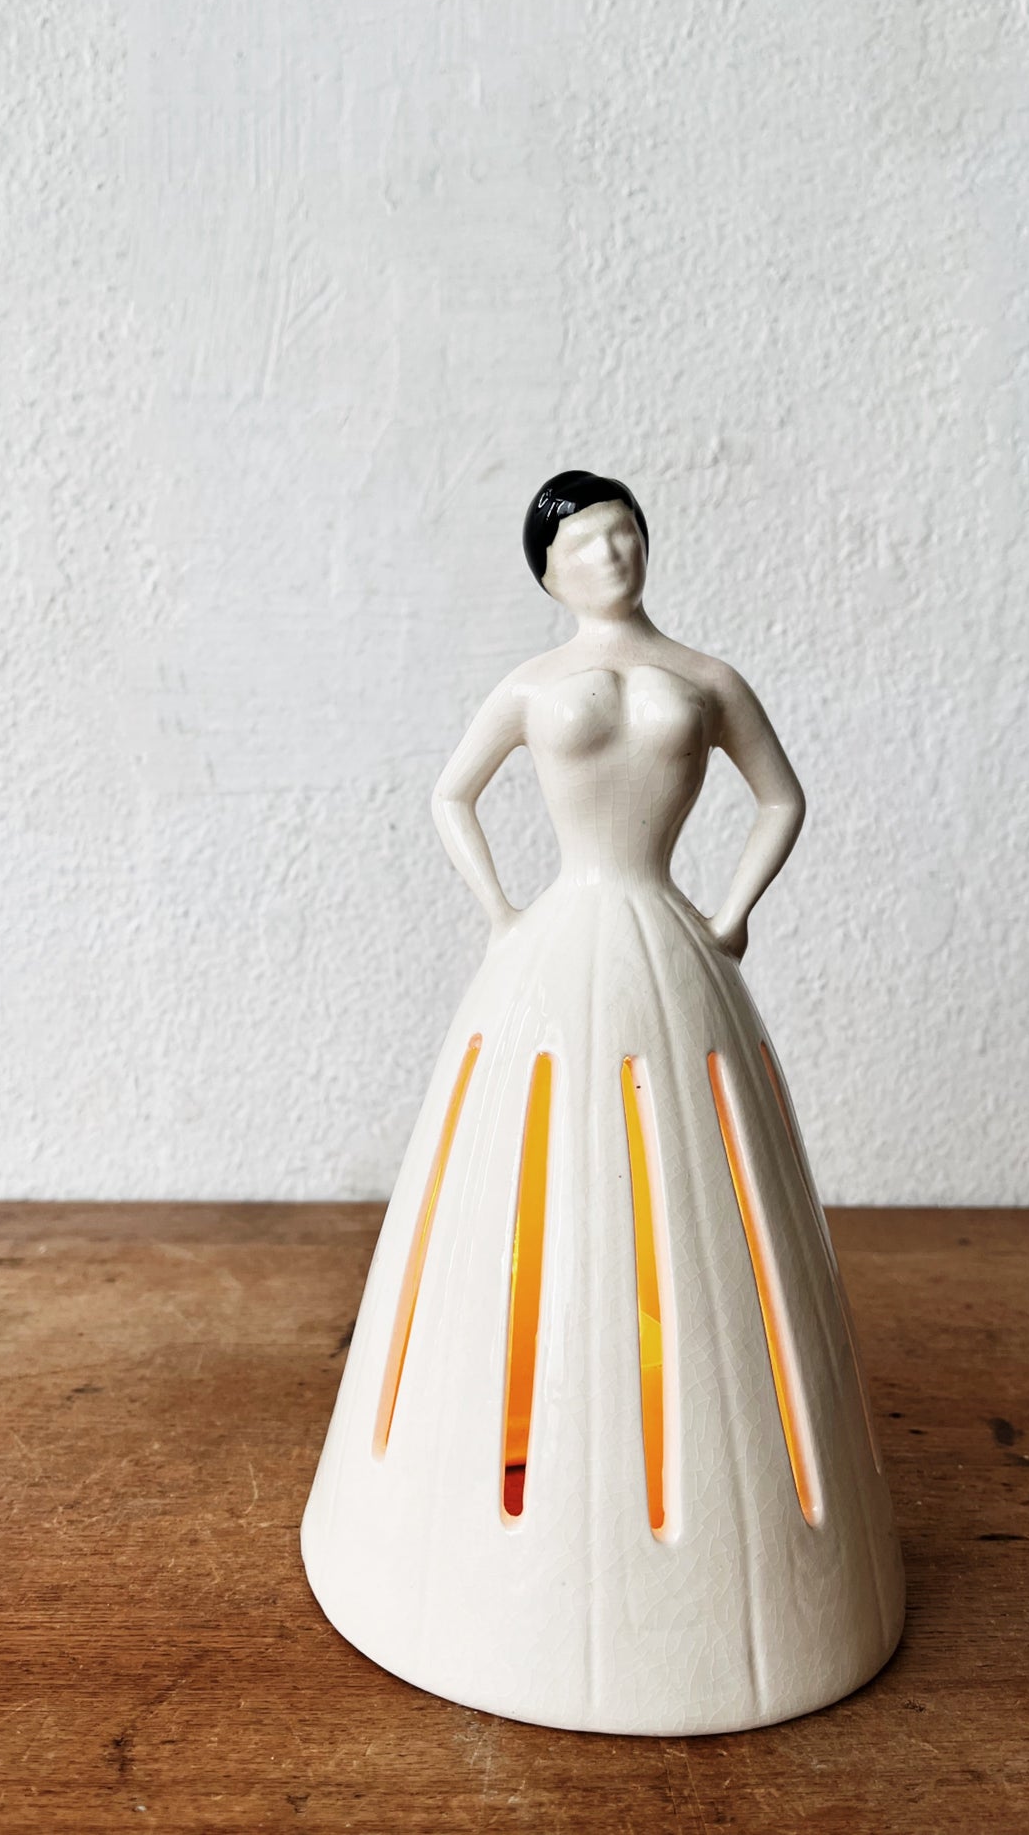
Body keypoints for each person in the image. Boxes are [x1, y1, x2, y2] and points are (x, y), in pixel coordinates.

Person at [301, 472, 904, 1734]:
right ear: (547, 570)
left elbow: (780, 797)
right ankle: (518, 1499)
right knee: (542, 1195)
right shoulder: (532, 684)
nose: (610, 553)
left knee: (689, 1208)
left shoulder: (706, 676)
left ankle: (722, 1537)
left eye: (623, 532)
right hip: (556, 945)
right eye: (582, 542)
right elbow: (450, 793)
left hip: (671, 943)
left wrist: (728, 916)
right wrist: (501, 914)